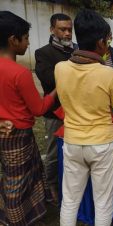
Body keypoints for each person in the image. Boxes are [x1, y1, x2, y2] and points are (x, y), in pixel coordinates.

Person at [55, 9, 113, 226]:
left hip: (73, 142)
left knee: (70, 200)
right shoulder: (107, 73)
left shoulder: (60, 68)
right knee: (103, 202)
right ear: (100, 42)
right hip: (101, 144)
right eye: (107, 40)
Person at [0, 11, 56, 225]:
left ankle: (30, 212)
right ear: (13, 40)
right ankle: (14, 219)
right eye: (25, 38)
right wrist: (56, 90)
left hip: (5, 132)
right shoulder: (19, 73)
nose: (28, 43)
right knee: (17, 181)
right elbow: (39, 108)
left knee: (15, 174)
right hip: (18, 135)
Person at [35, 13, 76, 203]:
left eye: (70, 29)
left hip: (76, 112)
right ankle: (51, 187)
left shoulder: (77, 50)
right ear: (52, 30)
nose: (67, 33)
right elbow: (49, 80)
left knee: (74, 151)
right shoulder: (43, 53)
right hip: (54, 113)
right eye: (63, 29)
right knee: (53, 153)